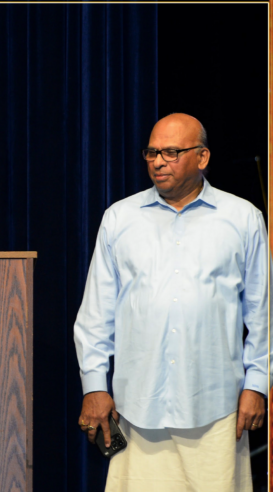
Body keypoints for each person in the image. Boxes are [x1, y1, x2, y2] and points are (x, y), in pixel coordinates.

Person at [73, 113, 268, 491]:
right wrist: (95, 386)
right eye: (151, 152)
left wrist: (257, 384)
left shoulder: (242, 218)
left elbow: (264, 316)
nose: (158, 161)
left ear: (203, 157)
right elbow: (95, 317)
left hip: (217, 410)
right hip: (138, 410)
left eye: (171, 152)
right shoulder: (120, 219)